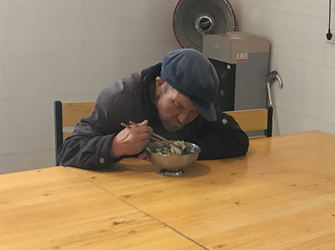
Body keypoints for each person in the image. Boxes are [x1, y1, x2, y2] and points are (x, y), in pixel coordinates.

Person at [57, 48, 249, 169]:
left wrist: (183, 149)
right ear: (159, 85)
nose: (183, 119)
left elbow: (237, 140)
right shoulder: (119, 100)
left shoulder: (198, 101)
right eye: (177, 105)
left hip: (184, 194)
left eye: (194, 113)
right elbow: (68, 152)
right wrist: (114, 146)